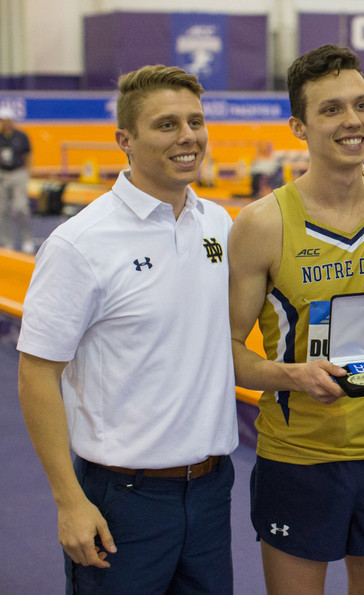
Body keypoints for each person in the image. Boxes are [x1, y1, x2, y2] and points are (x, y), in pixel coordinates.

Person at [17, 65, 237, 593]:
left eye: (196, 121)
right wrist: (70, 499)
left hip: (211, 490)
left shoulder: (220, 225)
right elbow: (36, 376)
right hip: (124, 500)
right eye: (166, 125)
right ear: (125, 140)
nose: (188, 136)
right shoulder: (79, 244)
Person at [228, 44, 364, 595]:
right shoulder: (262, 224)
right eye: (332, 109)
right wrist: (294, 375)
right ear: (298, 126)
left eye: (361, 105)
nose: (353, 121)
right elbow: (227, 350)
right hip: (300, 457)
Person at [0, 109, 34, 253]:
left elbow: (28, 154)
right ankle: (7, 241)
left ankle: (27, 240)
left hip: (18, 173)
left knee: (21, 208)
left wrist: (28, 172)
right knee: (2, 209)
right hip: (2, 174)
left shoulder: (21, 136)